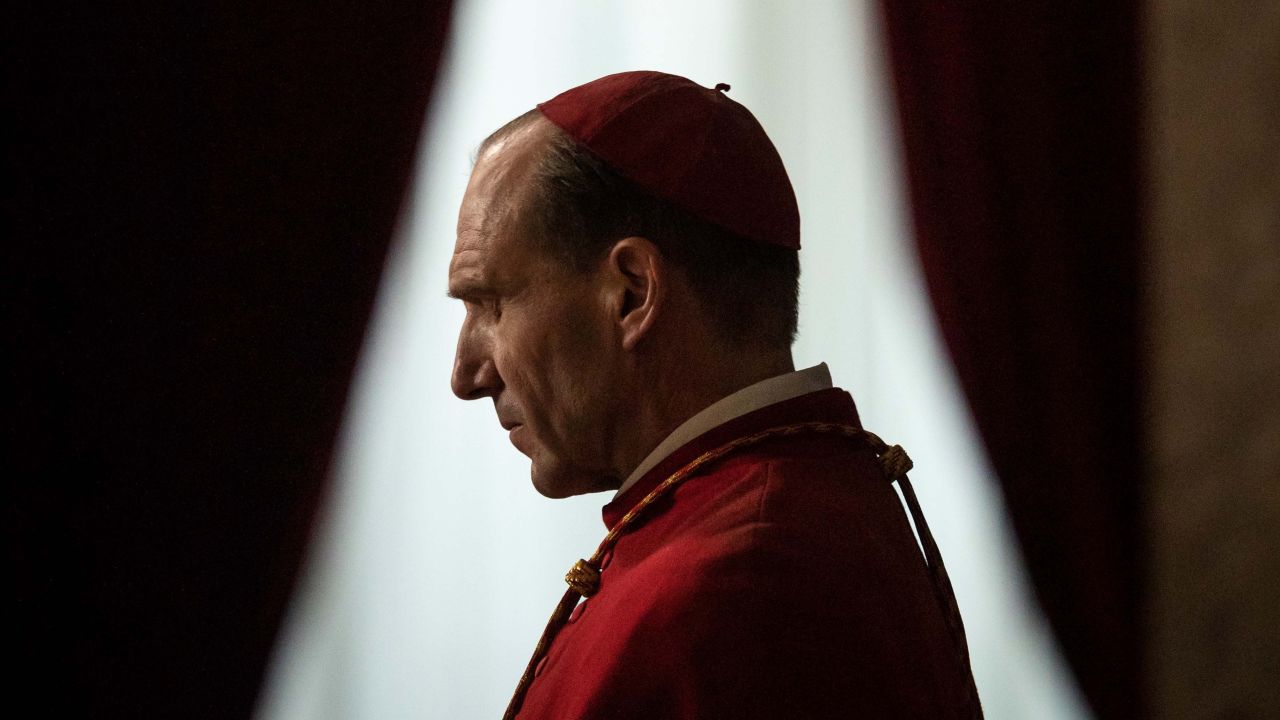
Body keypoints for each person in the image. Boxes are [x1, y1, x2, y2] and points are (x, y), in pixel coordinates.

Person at [448, 71, 981, 719]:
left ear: (632, 293)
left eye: (490, 305)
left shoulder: (731, 590)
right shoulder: (803, 505)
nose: (466, 375)